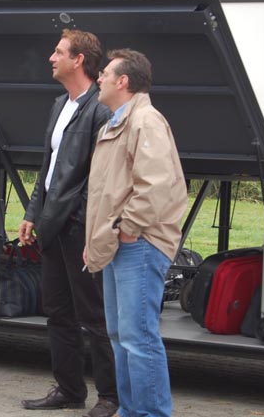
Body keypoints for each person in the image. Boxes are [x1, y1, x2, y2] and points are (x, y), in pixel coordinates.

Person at [18, 30, 118, 417]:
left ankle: (110, 396)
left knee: (94, 315)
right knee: (57, 311)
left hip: (79, 227)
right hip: (52, 224)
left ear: (79, 60)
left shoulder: (100, 108)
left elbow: (100, 176)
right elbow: (49, 168)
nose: (51, 57)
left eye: (59, 52)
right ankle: (70, 390)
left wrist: (81, 220)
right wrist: (32, 213)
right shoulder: (61, 104)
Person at [85, 49, 187, 417]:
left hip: (138, 244)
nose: (99, 78)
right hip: (120, 245)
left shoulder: (145, 121)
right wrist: (102, 238)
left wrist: (127, 230)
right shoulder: (117, 122)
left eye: (105, 73)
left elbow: (155, 185)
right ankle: (130, 411)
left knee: (138, 338)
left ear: (123, 81)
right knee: (120, 336)